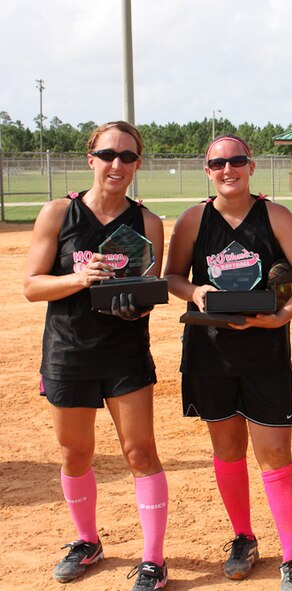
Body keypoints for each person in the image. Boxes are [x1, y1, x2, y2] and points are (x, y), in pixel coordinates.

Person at [164, 135, 292, 591]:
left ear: (251, 166)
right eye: (218, 163)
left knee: (274, 452)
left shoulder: (274, 215)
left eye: (236, 161)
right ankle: (243, 537)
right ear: (207, 170)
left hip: (265, 351)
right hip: (210, 350)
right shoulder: (195, 219)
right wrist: (195, 292)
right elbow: (172, 275)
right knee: (228, 449)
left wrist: (281, 317)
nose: (228, 169)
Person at [23, 121, 170, 590]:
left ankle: (152, 559)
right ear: (91, 159)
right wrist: (80, 279)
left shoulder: (147, 222)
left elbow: (149, 289)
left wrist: (136, 307)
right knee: (75, 452)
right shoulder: (58, 214)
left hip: (124, 351)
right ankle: (87, 541)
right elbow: (31, 285)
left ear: (137, 165)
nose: (117, 164)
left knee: (140, 451)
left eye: (128, 157)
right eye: (108, 154)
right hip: (68, 350)